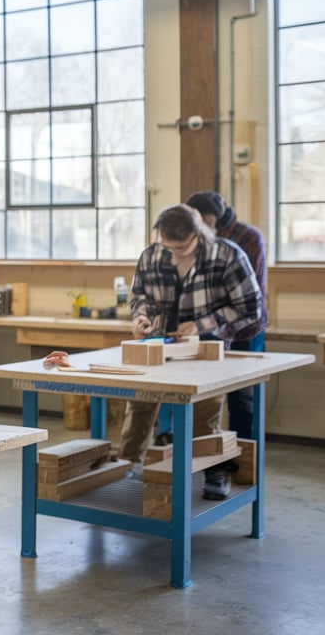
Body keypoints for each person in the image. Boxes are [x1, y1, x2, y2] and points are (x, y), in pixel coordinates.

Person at [121, 204, 264, 500]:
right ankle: (126, 467)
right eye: (168, 246)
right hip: (158, 347)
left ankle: (212, 470)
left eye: (182, 247)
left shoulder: (228, 255)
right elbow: (140, 296)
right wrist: (142, 316)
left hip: (205, 348)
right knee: (140, 405)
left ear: (199, 234)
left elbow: (251, 310)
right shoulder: (151, 254)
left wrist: (201, 325)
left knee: (205, 409)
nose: (174, 253)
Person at [186, 191, 267, 441]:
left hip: (245, 327)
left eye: (202, 221)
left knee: (242, 397)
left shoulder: (248, 237)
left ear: (213, 217)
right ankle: (208, 450)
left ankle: (244, 457)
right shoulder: (195, 236)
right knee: (204, 395)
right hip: (207, 328)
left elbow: (248, 296)